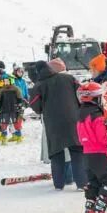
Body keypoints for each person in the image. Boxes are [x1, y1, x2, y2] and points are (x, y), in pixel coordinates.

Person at [31, 58, 86, 190]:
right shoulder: (69, 79)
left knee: (56, 154)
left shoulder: (39, 85)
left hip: (53, 124)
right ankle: (82, 184)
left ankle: (59, 185)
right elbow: (81, 94)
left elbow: (35, 105)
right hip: (73, 120)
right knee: (77, 151)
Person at [76, 81, 107, 213]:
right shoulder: (96, 116)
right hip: (100, 153)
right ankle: (98, 212)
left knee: (94, 183)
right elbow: (103, 138)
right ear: (96, 98)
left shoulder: (81, 114)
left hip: (87, 154)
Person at [0, 72, 23, 143]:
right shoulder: (2, 90)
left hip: (14, 109)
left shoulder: (16, 89)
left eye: (7, 81)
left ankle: (18, 136)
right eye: (5, 81)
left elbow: (20, 99)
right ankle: (4, 138)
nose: (6, 82)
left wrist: (20, 107)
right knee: (4, 124)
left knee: (16, 123)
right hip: (5, 110)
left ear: (11, 81)